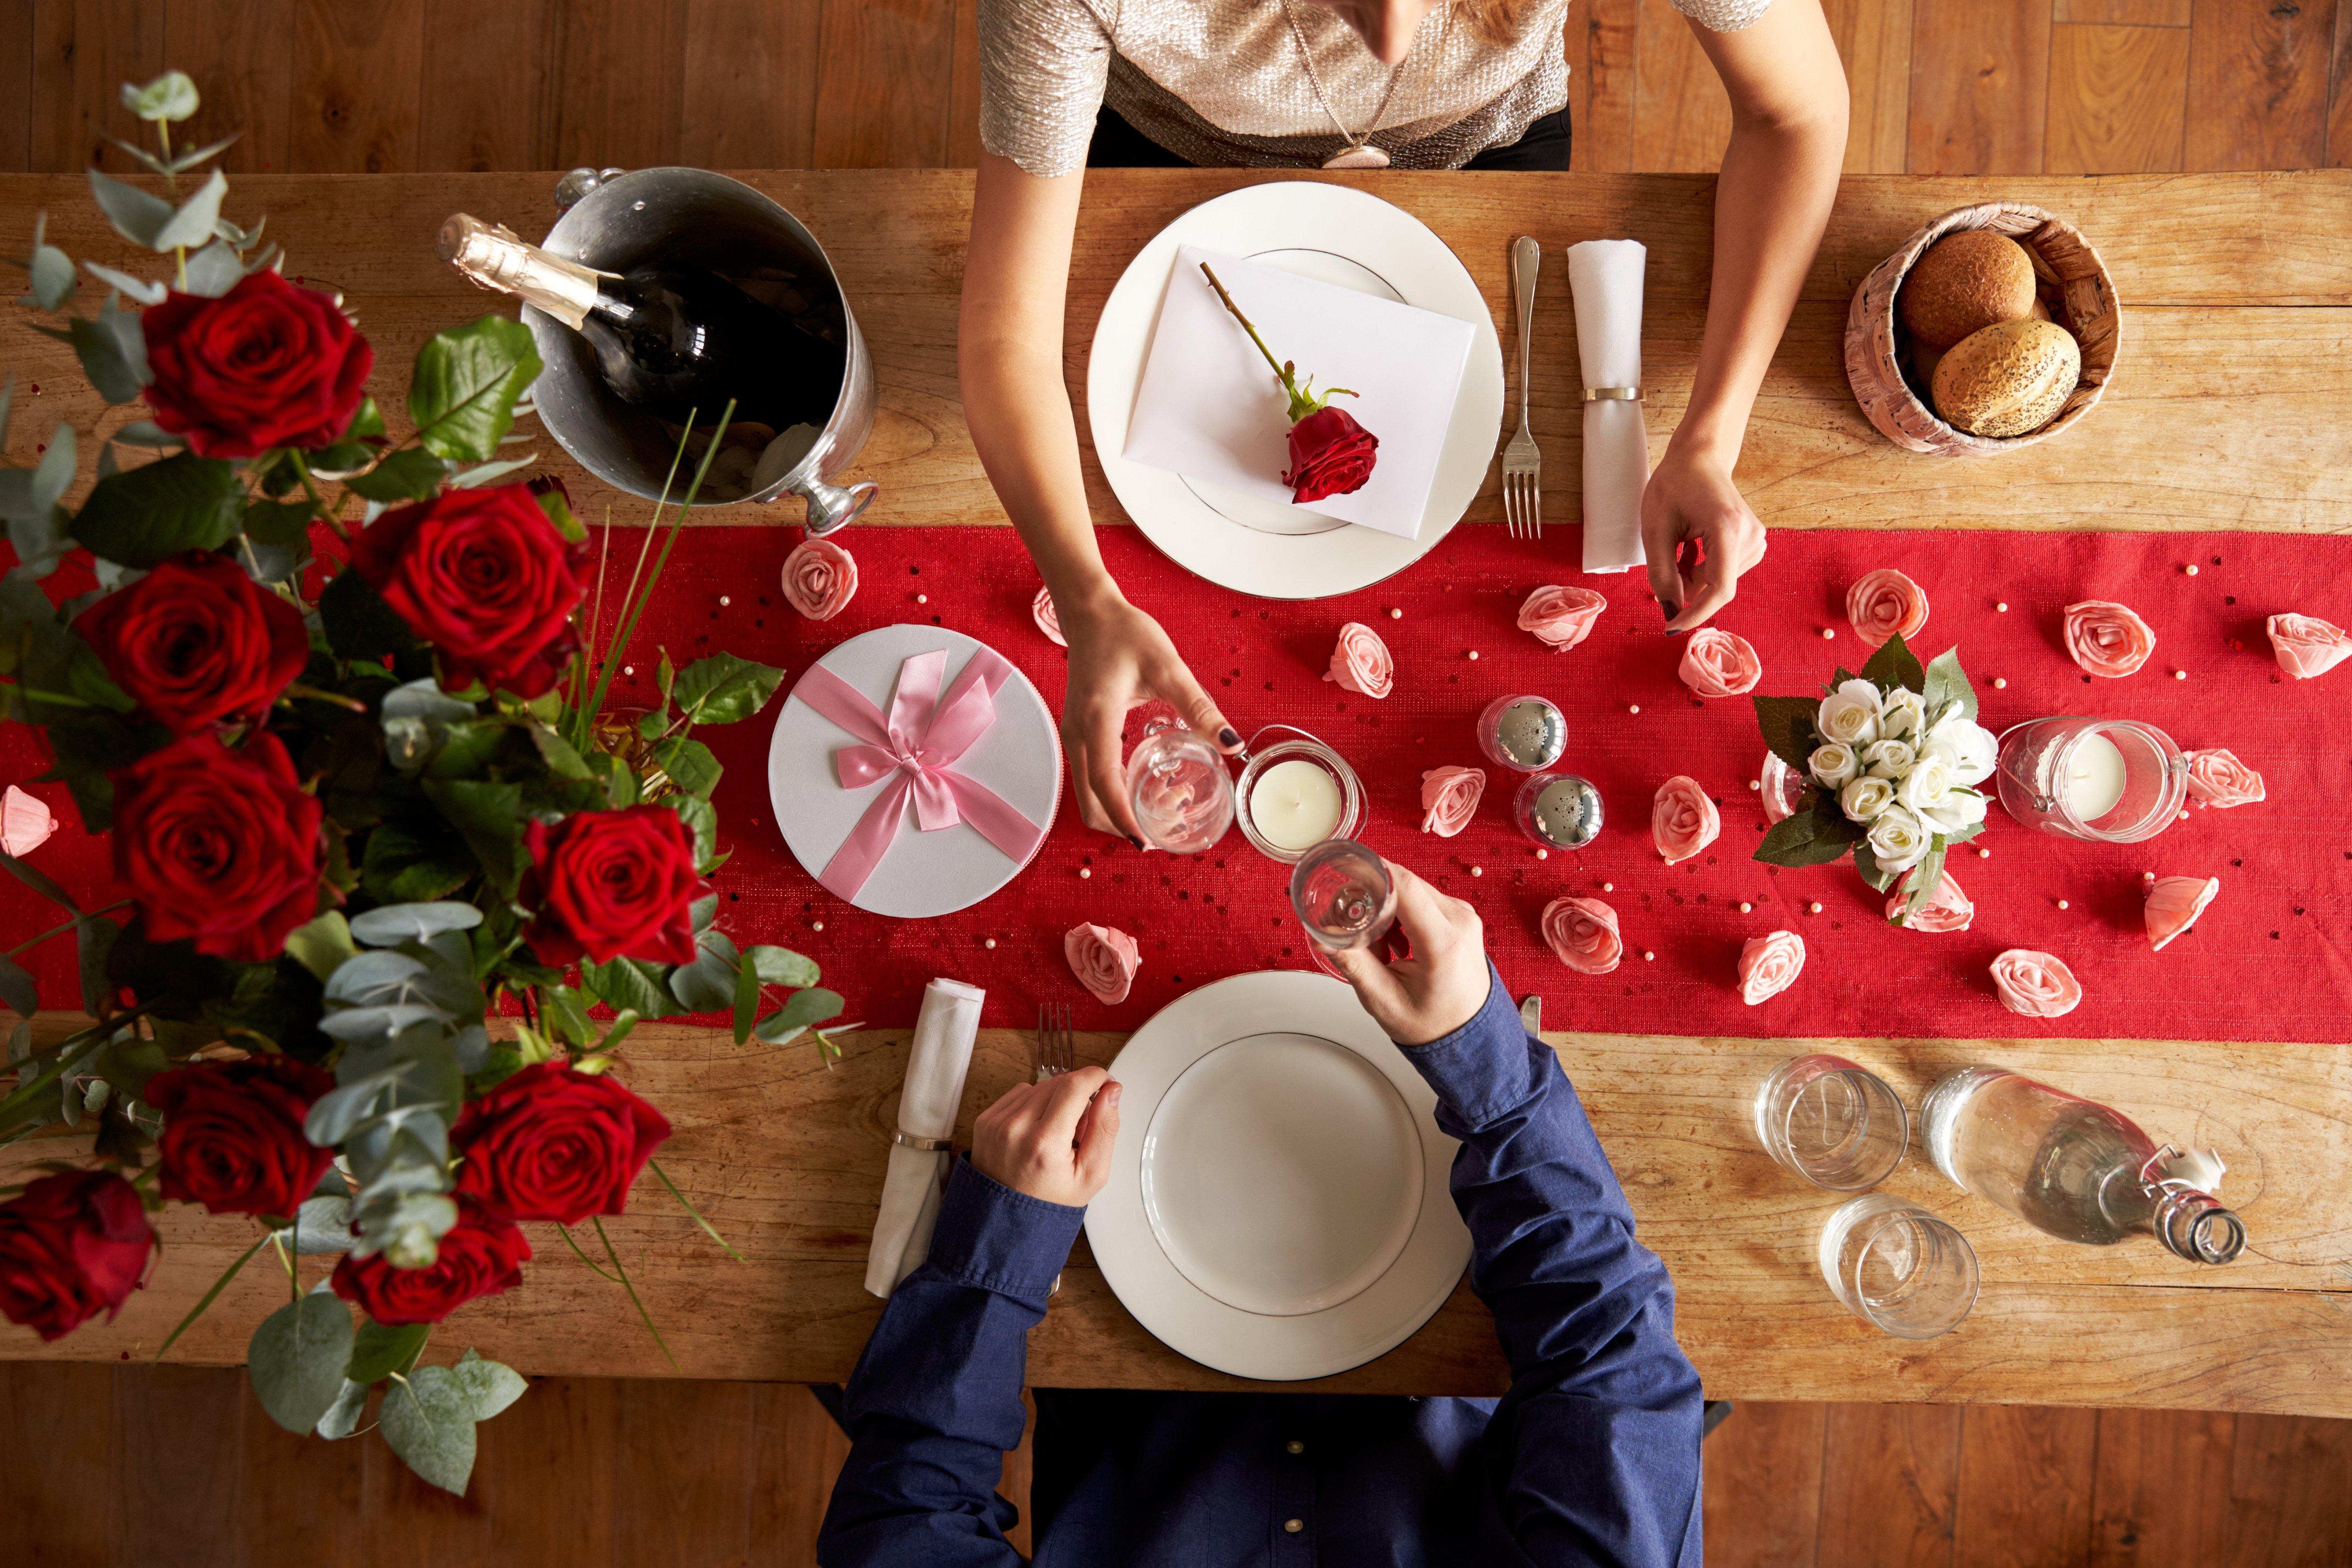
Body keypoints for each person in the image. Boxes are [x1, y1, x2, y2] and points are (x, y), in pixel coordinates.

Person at [963, 0, 1850, 845]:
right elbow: (1007, 333)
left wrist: (1708, 436)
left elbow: (1795, 117)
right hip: (1168, 147)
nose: (1390, 37)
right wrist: (1083, 600)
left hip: (1489, 146)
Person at [816, 860, 1706, 1565]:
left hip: (1103, 1358)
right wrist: (1485, 1066)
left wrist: (998, 1248)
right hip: (1441, 1324)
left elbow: (902, 1531)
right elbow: (1612, 1366)